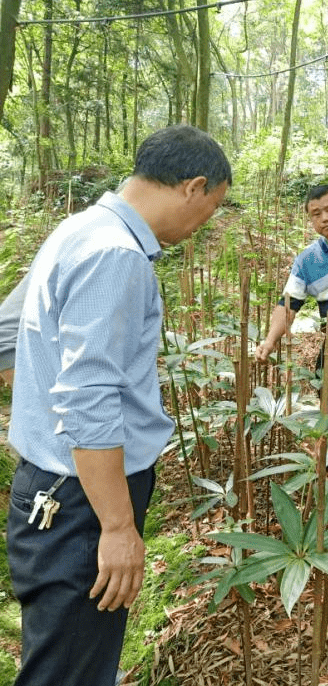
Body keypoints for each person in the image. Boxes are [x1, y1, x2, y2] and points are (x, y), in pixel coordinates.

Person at [6, 125, 231, 686]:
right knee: (71, 670)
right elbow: (88, 398)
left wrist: (37, 390)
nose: (202, 227)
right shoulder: (117, 255)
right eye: (211, 210)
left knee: (67, 655)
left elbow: (7, 334)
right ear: (193, 186)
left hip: (51, 484)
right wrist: (116, 527)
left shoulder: (78, 228)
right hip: (82, 499)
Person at [254, 184, 328, 363]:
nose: (325, 218)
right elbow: (288, 305)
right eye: (316, 214)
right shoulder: (307, 260)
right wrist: (270, 341)